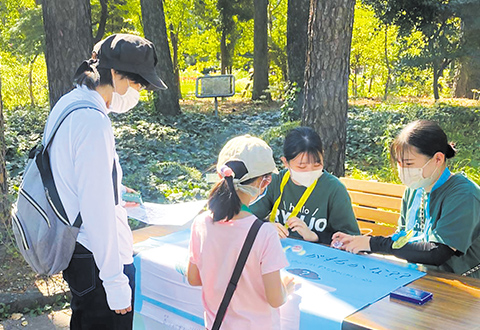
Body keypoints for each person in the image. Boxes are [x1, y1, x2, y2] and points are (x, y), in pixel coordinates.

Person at [45, 34, 167, 329]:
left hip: (81, 252)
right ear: (114, 73)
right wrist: (115, 282)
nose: (137, 92)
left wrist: (111, 188)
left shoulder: (70, 104)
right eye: (137, 83)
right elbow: (97, 212)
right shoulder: (92, 121)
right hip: (97, 259)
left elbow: (69, 175)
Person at [332, 120, 480, 278]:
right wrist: (358, 241)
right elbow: (403, 239)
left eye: (409, 163)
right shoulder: (415, 189)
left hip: (461, 285)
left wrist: (373, 244)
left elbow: (437, 253)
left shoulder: (463, 195)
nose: (403, 170)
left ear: (438, 159)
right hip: (419, 276)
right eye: (399, 163)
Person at [187, 135, 295, 329]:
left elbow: (194, 279)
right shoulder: (264, 234)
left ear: (221, 177)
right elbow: (275, 299)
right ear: (262, 182)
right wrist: (285, 287)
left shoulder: (201, 222)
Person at [250, 126, 360, 244]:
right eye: (302, 167)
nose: (310, 171)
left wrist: (315, 236)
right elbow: (244, 217)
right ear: (285, 162)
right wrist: (265, 227)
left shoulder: (334, 189)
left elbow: (352, 239)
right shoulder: (276, 181)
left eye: (317, 164)